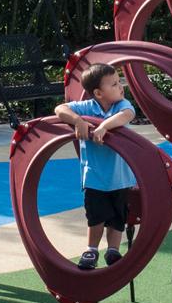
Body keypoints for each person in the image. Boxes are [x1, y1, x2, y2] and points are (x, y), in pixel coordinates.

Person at [53, 64, 139, 268]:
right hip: (95, 177)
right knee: (96, 216)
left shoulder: (121, 105)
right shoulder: (87, 107)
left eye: (119, 82)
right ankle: (91, 250)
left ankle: (113, 250)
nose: (121, 87)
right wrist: (78, 122)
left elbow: (127, 115)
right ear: (99, 93)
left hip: (120, 177)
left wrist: (103, 126)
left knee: (118, 217)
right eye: (114, 84)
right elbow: (59, 109)